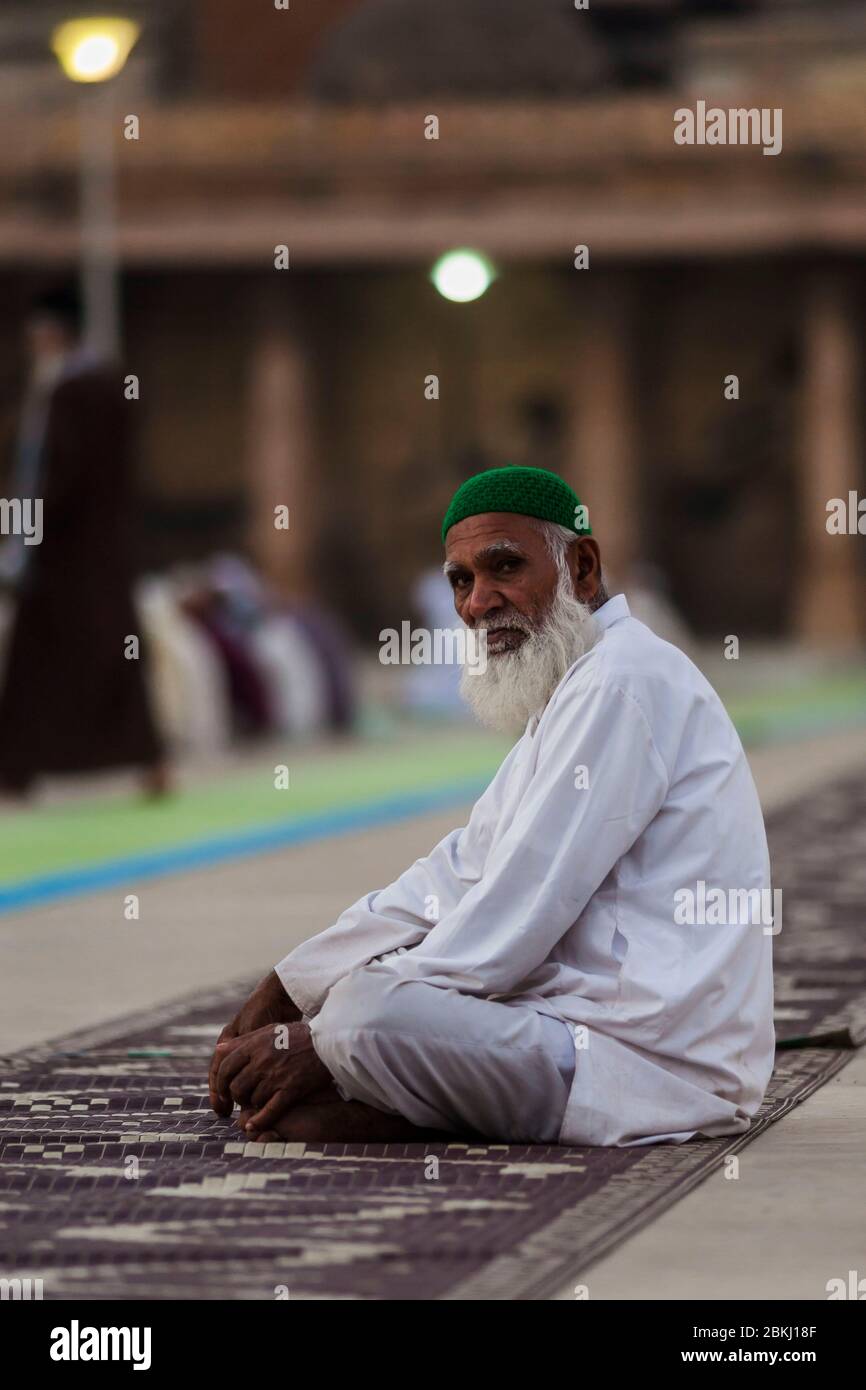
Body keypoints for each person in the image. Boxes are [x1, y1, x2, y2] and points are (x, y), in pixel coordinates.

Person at [209, 466, 775, 1147]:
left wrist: (316, 1038)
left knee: (368, 1014)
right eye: (460, 581)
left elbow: (513, 915)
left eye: (504, 567)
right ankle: (394, 1100)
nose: (479, 603)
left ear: (582, 567)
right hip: (589, 1031)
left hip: (653, 1065)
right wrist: (293, 983)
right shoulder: (577, 684)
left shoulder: (622, 684)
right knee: (356, 999)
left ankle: (393, 1100)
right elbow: (457, 871)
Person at [0, 286, 167, 797]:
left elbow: (54, 479)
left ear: (51, 333)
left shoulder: (69, 391)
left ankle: (16, 770)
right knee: (117, 655)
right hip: (106, 552)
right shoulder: (112, 384)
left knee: (35, 662)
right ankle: (148, 761)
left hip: (63, 556)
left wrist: (24, 540)